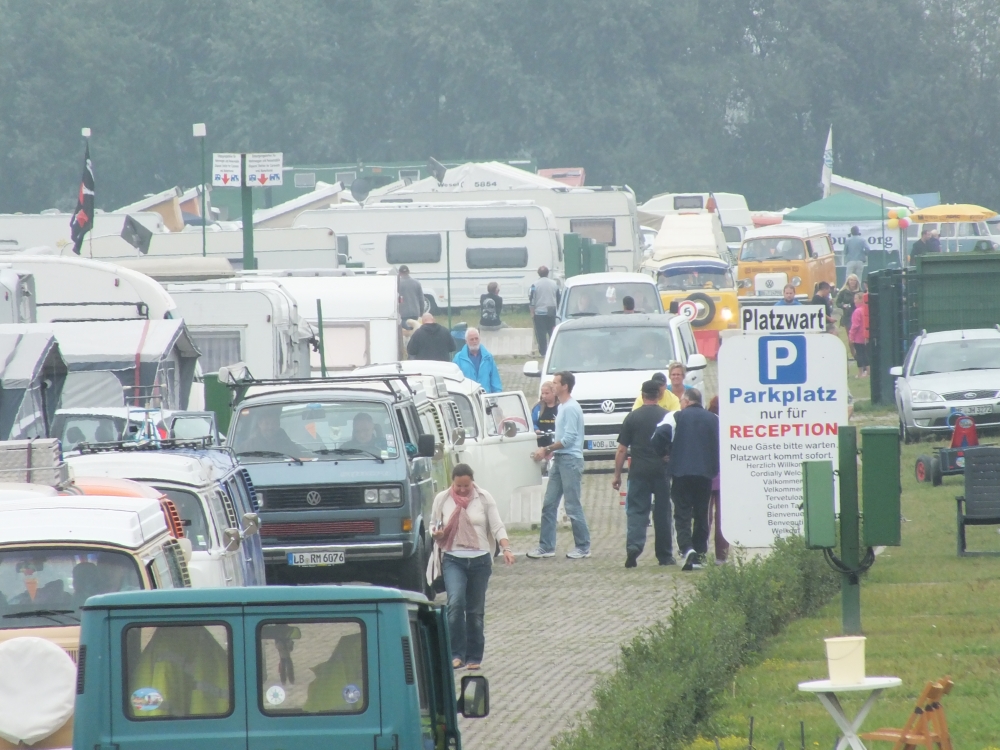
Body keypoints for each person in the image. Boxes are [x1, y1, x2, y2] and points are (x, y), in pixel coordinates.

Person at [429, 464, 514, 670]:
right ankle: (455, 654)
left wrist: (506, 548)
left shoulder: (483, 498)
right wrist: (436, 533)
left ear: (472, 482)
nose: (462, 489)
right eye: (458, 485)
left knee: (475, 611)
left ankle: (474, 656)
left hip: (480, 561)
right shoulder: (442, 499)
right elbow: (433, 524)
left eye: (466, 485)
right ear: (452, 482)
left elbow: (497, 526)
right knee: (456, 603)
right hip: (453, 559)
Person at [527, 371, 591, 560]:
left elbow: (569, 439)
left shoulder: (571, 408)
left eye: (556, 383)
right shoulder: (562, 407)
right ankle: (546, 546)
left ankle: (583, 546)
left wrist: (546, 449)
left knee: (572, 505)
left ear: (565, 386)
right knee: (549, 504)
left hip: (570, 460)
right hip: (559, 459)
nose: (552, 385)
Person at [654, 388, 719, 571]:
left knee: (682, 512)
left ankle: (686, 548)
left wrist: (664, 454)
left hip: (681, 471)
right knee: (701, 513)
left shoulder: (675, 416)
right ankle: (700, 553)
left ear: (687, 401)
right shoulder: (714, 419)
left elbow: (658, 436)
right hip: (705, 472)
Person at [613, 380, 674, 568]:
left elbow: (622, 449)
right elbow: (675, 443)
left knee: (636, 511)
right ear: (659, 395)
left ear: (642, 395)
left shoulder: (632, 417)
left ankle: (634, 547)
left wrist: (617, 475)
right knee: (663, 513)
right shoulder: (667, 416)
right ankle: (664, 555)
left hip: (638, 471)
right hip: (661, 471)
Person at [706, 396, 729, 565]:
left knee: (704, 516)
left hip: (707, 474)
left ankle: (700, 549)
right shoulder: (728, 425)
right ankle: (721, 556)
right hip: (725, 476)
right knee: (722, 517)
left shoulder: (706, 423)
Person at [239, 408, 303, 457]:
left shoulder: (289, 446)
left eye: (273, 423)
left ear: (278, 424)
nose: (270, 427)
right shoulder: (247, 447)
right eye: (267, 423)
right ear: (259, 424)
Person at [453, 328, 502, 393]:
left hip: (485, 396)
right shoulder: (458, 358)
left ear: (480, 339)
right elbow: (454, 382)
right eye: (472, 339)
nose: (475, 341)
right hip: (468, 396)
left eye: (476, 338)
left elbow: (495, 380)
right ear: (466, 341)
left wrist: (497, 394)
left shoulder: (488, 357)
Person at [529, 266, 559, 356]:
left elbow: (532, 299)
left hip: (539, 312)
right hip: (551, 310)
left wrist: (532, 311)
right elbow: (558, 297)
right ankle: (553, 350)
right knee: (552, 331)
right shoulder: (554, 284)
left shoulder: (534, 285)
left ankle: (543, 352)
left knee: (541, 333)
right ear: (547, 273)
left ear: (538, 273)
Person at [835, 275, 861, 357]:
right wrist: (843, 305)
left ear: (857, 282)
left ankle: (859, 353)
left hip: (858, 315)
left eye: (854, 280)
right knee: (850, 337)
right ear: (848, 281)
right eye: (851, 280)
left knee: (858, 336)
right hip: (847, 316)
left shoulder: (860, 291)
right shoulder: (844, 292)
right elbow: (837, 302)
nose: (852, 282)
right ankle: (854, 354)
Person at [531, 380, 558, 447]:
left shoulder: (561, 407)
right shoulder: (538, 407)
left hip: (557, 444)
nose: (544, 396)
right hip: (541, 444)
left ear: (554, 393)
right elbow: (532, 423)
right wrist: (536, 429)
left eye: (547, 393)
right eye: (542, 393)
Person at [850, 291, 870, 378]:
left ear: (861, 299)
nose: (854, 301)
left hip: (858, 337)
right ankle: (868, 371)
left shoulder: (857, 311)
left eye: (856, 298)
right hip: (866, 336)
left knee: (859, 355)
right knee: (866, 354)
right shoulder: (866, 309)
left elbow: (855, 325)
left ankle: (860, 373)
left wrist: (851, 336)